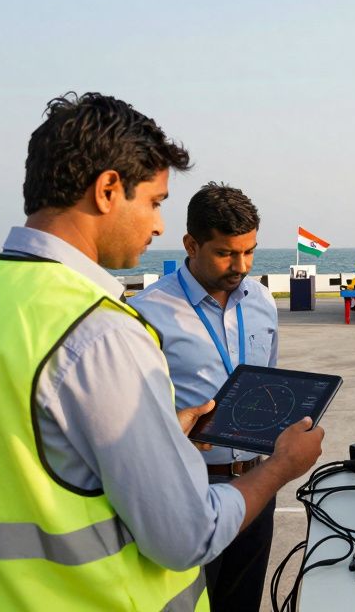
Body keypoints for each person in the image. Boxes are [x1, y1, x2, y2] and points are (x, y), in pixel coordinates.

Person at [0, 93, 324, 610]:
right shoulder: (101, 331)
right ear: (109, 189)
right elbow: (185, 538)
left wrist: (161, 430)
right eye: (154, 201)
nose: (156, 224)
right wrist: (283, 466)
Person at [132, 182, 278, 612]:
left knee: (242, 602)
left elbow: (270, 382)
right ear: (190, 244)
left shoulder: (263, 302)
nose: (241, 265)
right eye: (225, 253)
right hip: (188, 489)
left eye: (250, 251)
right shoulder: (147, 312)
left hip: (255, 483)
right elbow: (131, 418)